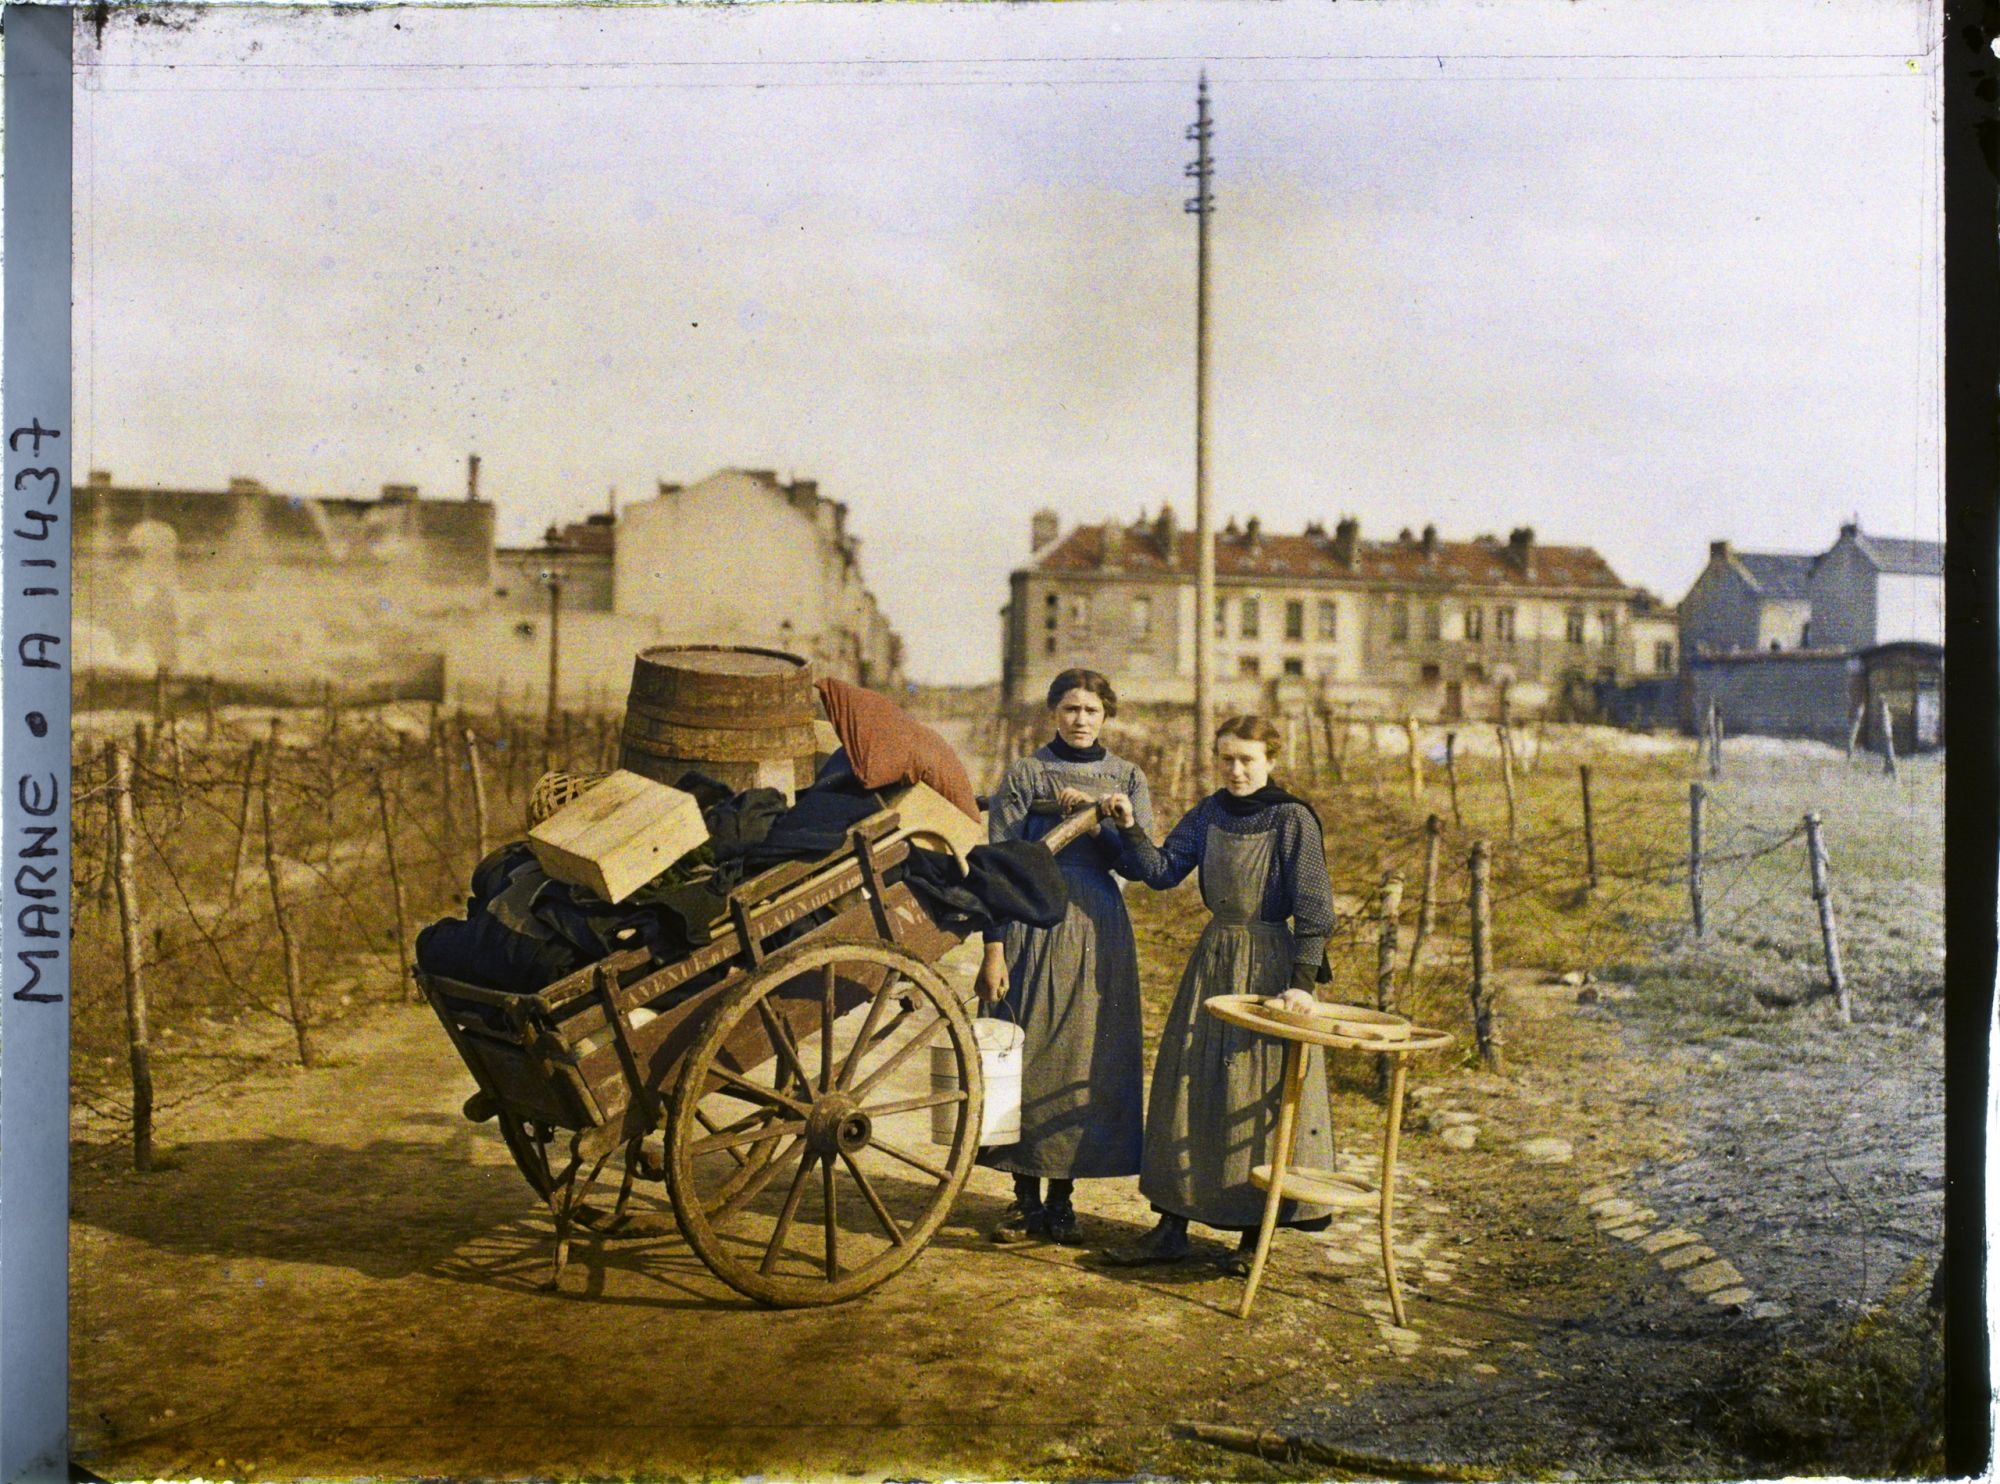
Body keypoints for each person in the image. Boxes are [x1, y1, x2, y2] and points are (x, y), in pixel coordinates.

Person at [1093, 715, 1337, 1274]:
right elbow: (1160, 871)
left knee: (1257, 1091)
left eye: (1247, 759)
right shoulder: (1208, 813)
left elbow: (1316, 909)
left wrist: (1301, 987)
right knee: (1189, 1082)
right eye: (1226, 758)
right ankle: (1171, 1226)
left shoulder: (1292, 818)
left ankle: (1253, 1237)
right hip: (1212, 962)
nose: (1236, 770)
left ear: (1271, 760)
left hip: (1269, 969)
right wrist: (1128, 828)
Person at [975, 668, 1151, 1245]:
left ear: (1106, 716)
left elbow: (1138, 865)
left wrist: (1100, 820)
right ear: (1053, 711)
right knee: (1026, 1054)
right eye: (1071, 709)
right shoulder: (1026, 774)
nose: (1080, 720)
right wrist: (993, 950)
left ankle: (1062, 1200)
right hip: (1030, 923)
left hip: (1097, 929)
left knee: (1082, 1060)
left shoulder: (1127, 776)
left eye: (1092, 711)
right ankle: (1024, 1199)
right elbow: (997, 868)